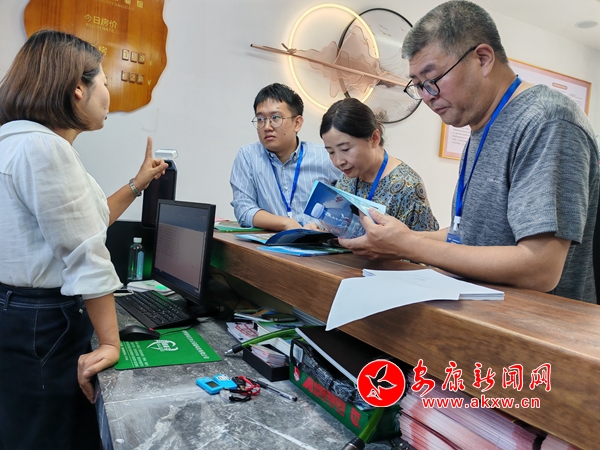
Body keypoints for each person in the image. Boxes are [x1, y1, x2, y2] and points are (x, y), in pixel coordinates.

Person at [341, 0, 599, 303]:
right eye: (419, 85)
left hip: (532, 326)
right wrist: (399, 238)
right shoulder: (481, 125)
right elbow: (469, 233)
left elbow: (540, 269)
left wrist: (409, 246)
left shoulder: (547, 121)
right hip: (476, 317)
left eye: (432, 80)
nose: (427, 96)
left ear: (483, 59)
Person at [0, 30, 169, 449]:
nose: (108, 96)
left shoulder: (16, 142)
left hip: (18, 315)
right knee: (51, 434)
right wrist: (110, 342)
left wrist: (137, 183)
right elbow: (86, 252)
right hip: (44, 323)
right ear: (79, 87)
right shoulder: (45, 149)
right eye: (105, 83)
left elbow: (83, 223)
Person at [230, 83, 340, 231]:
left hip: (318, 241)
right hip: (271, 242)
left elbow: (348, 205)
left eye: (275, 118)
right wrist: (287, 223)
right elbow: (244, 210)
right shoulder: (248, 157)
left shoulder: (325, 157)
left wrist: (321, 225)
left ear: (297, 123)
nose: (267, 127)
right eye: (260, 119)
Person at [319, 97, 439, 231]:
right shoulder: (347, 178)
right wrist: (323, 228)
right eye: (331, 152)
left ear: (374, 138)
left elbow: (422, 241)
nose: (338, 162)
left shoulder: (407, 186)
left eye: (345, 149)